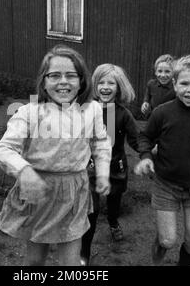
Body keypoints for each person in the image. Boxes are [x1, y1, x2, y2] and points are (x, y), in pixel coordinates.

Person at [0, 45, 112, 266]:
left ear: (82, 80)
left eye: (71, 75)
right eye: (55, 75)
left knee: (70, 262)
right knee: (35, 260)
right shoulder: (29, 112)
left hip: (75, 191)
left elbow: (101, 142)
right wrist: (24, 171)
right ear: (44, 81)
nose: (63, 81)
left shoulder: (92, 109)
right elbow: (3, 149)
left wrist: (103, 173)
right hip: (39, 191)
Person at [135, 54, 190, 266]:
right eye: (184, 83)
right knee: (167, 239)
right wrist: (146, 156)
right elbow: (145, 136)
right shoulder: (162, 113)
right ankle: (157, 258)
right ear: (175, 84)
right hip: (166, 184)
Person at [80, 63, 141, 265]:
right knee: (92, 211)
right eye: (101, 82)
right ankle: (84, 255)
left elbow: (136, 139)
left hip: (116, 169)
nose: (105, 87)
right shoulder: (85, 109)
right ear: (94, 85)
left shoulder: (123, 114)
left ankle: (113, 221)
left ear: (119, 87)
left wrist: (150, 152)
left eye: (111, 83)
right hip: (89, 169)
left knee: (113, 203)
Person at [140, 54, 176, 119]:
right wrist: (145, 103)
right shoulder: (151, 84)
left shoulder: (176, 87)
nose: (163, 75)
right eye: (159, 71)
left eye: (167, 71)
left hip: (170, 119)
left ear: (173, 73)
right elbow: (147, 97)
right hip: (153, 118)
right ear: (155, 72)